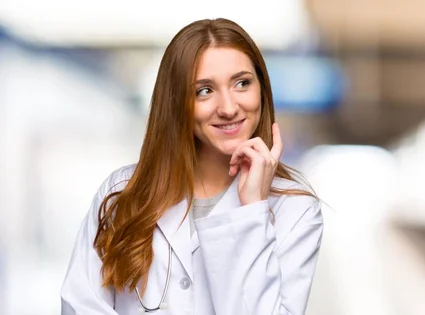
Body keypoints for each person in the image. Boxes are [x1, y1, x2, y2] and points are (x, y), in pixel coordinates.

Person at [61, 18, 323, 315]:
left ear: (262, 89)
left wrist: (251, 212)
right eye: (204, 91)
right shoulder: (122, 191)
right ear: (177, 102)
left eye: (242, 83)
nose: (227, 108)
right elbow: (80, 307)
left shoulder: (295, 207)